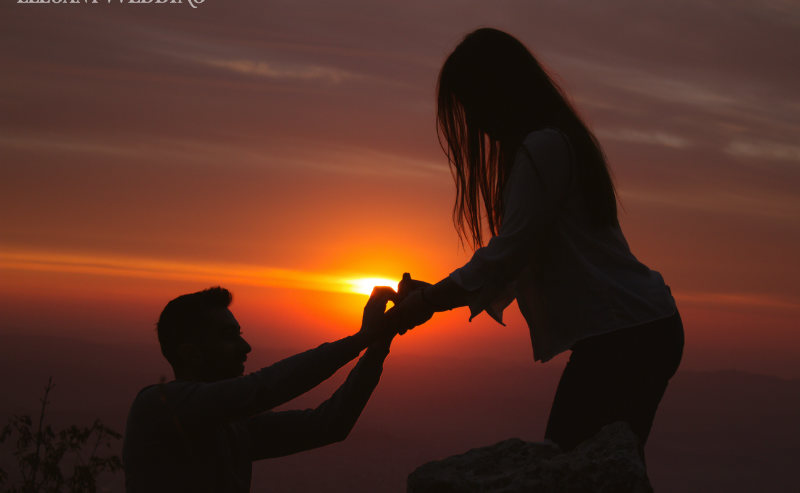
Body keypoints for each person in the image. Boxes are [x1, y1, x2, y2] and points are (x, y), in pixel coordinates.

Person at [393, 28, 684, 453]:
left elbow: (506, 257)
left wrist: (426, 304)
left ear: (498, 91)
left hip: (625, 335)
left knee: (571, 466)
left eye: (473, 103)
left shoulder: (542, 148)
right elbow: (519, 258)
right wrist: (435, 295)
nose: (473, 121)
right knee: (603, 467)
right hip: (640, 327)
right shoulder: (556, 142)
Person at [123, 285, 399, 493]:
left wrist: (377, 346)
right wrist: (362, 338)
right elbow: (264, 387)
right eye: (229, 337)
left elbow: (329, 424)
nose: (246, 348)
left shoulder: (232, 428)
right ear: (190, 354)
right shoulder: (159, 406)